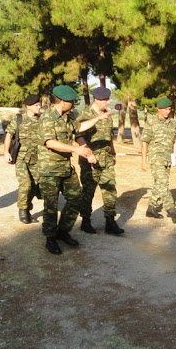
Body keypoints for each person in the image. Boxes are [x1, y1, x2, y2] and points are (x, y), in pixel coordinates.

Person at [38, 85, 113, 255]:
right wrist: (76, 150)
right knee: (51, 205)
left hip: (65, 166)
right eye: (71, 101)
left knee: (76, 198)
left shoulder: (68, 115)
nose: (73, 104)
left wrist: (98, 119)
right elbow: (49, 142)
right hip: (49, 168)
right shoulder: (47, 117)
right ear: (63, 101)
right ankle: (50, 238)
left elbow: (77, 128)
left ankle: (63, 231)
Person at [76, 86, 124, 236]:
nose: (108, 101)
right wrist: (88, 153)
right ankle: (85, 221)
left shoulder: (107, 115)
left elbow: (109, 136)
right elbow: (78, 136)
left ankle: (110, 221)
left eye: (108, 99)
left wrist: (113, 152)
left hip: (107, 159)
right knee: (88, 191)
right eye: (106, 100)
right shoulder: (84, 115)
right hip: (90, 160)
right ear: (97, 100)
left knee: (110, 189)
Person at [141, 96, 176, 223]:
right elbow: (145, 142)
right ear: (158, 109)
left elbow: (175, 138)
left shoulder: (171, 122)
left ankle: (151, 209)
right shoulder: (151, 122)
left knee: (159, 184)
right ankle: (172, 211)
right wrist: (144, 160)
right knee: (163, 183)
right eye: (165, 109)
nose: (167, 111)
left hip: (167, 158)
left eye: (169, 109)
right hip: (155, 158)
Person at [4, 94, 43, 224]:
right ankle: (22, 209)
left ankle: (27, 206)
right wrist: (6, 152)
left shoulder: (41, 120)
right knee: (25, 183)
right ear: (28, 106)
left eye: (39, 104)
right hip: (22, 158)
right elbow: (9, 135)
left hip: (37, 158)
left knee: (35, 185)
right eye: (36, 105)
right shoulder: (19, 119)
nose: (39, 107)